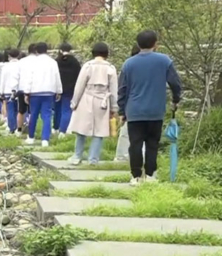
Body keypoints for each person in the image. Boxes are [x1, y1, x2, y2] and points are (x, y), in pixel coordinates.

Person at [118, 30, 182, 185]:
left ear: (138, 44)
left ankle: (136, 176)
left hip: (134, 111)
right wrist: (175, 100)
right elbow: (175, 83)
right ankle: (151, 175)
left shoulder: (129, 63)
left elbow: (122, 89)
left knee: (135, 145)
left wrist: (122, 110)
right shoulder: (164, 61)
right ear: (156, 44)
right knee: (153, 143)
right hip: (156, 110)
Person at [68, 42, 118, 165]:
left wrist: (74, 102)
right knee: (99, 131)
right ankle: (93, 159)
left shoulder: (87, 66)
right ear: (106, 54)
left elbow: (79, 86)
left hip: (86, 98)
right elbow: (113, 90)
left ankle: (77, 156)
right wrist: (114, 107)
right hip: (103, 101)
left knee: (81, 129)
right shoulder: (110, 68)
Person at [25, 42, 62, 147]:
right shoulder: (53, 62)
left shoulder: (33, 63)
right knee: (47, 115)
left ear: (36, 51)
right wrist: (59, 91)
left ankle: (31, 137)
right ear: (47, 50)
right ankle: (45, 139)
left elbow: (29, 79)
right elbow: (57, 77)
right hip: (49, 92)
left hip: (35, 92)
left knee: (34, 115)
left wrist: (27, 92)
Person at [115, 45, 142, 162]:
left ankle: (122, 157)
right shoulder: (154, 67)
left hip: (131, 105)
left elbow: (122, 89)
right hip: (150, 108)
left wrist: (121, 110)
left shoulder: (128, 66)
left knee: (126, 133)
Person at [54, 43, 82, 137]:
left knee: (57, 109)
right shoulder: (75, 62)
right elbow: (79, 76)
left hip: (57, 89)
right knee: (66, 109)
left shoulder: (56, 61)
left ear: (60, 50)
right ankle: (63, 130)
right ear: (70, 50)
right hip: (70, 89)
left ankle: (55, 128)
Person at [16, 44, 37, 132]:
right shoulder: (38, 61)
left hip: (22, 88)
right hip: (35, 89)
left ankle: (19, 129)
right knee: (32, 111)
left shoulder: (21, 61)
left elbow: (16, 75)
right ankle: (31, 129)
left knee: (21, 111)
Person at [0, 49, 21, 134]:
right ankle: (18, 126)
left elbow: (3, 80)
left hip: (8, 90)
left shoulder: (5, 67)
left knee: (11, 110)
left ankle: (12, 127)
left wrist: (1, 92)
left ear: (9, 56)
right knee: (19, 110)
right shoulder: (21, 65)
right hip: (19, 90)